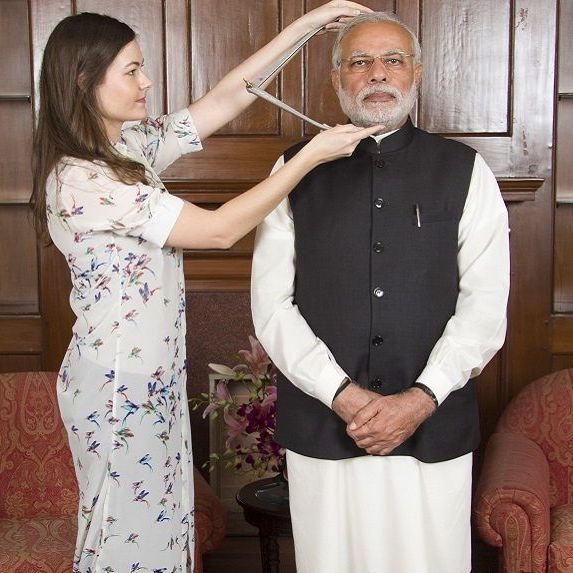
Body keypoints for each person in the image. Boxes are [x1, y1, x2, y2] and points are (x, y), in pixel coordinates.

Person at [30, 4, 380, 572]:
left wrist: (310, 24)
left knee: (161, 537)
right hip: (118, 385)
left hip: (152, 376)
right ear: (83, 80)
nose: (147, 82)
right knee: (126, 544)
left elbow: (227, 98)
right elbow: (219, 231)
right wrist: (309, 159)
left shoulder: (127, 149)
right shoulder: (83, 178)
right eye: (131, 71)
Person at [251, 11, 510, 573]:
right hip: (324, 423)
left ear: (416, 72)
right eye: (360, 62)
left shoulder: (465, 170)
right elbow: (270, 307)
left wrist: (420, 399)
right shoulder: (293, 169)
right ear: (336, 79)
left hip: (433, 426)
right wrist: (342, 395)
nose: (377, 74)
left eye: (393, 60)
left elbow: (486, 308)